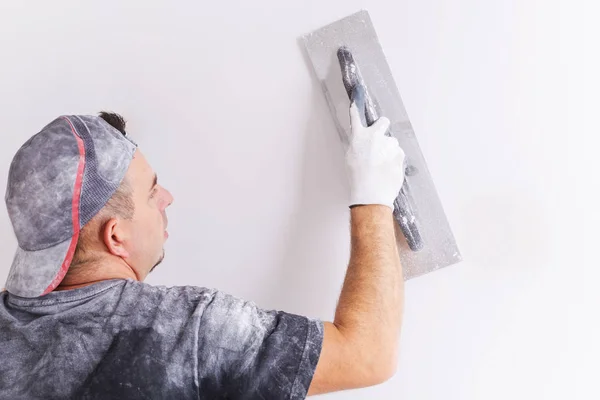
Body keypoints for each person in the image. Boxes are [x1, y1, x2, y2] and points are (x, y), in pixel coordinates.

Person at [0, 92, 406, 399]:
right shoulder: (187, 330)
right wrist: (372, 195)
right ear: (116, 236)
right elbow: (367, 355)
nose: (168, 198)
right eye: (151, 191)